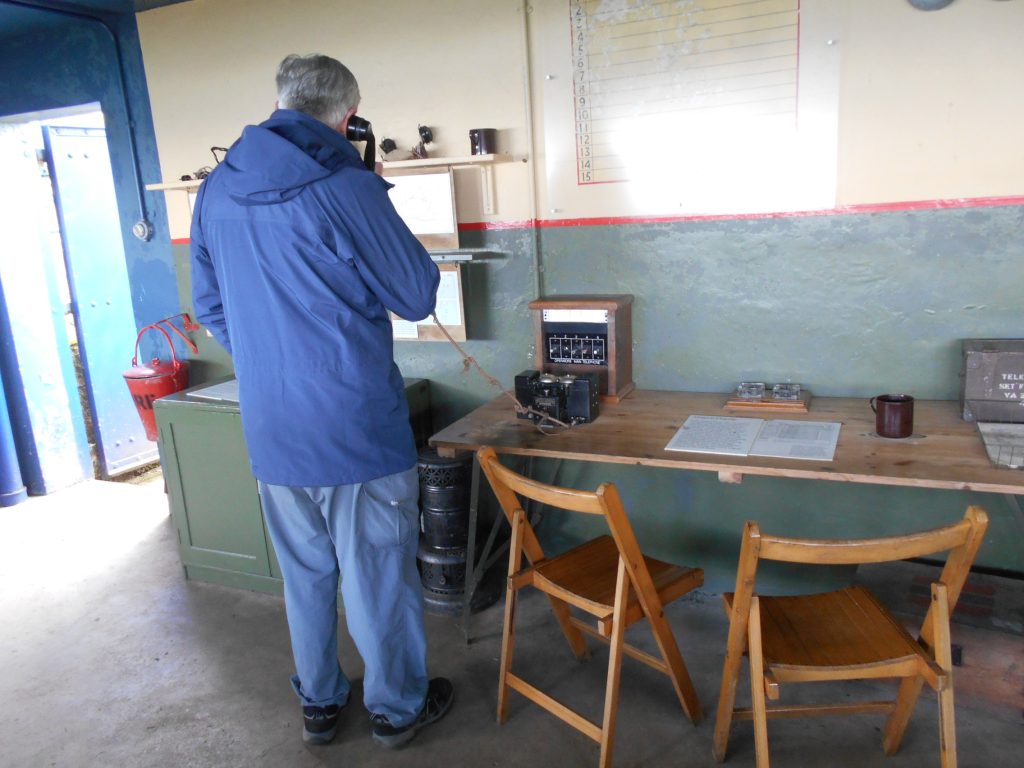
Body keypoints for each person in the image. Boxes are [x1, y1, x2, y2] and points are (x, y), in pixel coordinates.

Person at [189, 53, 451, 749]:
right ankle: (396, 708)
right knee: (375, 575)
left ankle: (320, 702)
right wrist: (371, 194)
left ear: (282, 102)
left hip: (272, 425)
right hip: (353, 424)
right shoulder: (345, 186)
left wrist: (272, 361)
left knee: (304, 575)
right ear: (348, 115)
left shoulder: (216, 189)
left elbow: (210, 305)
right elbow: (416, 294)